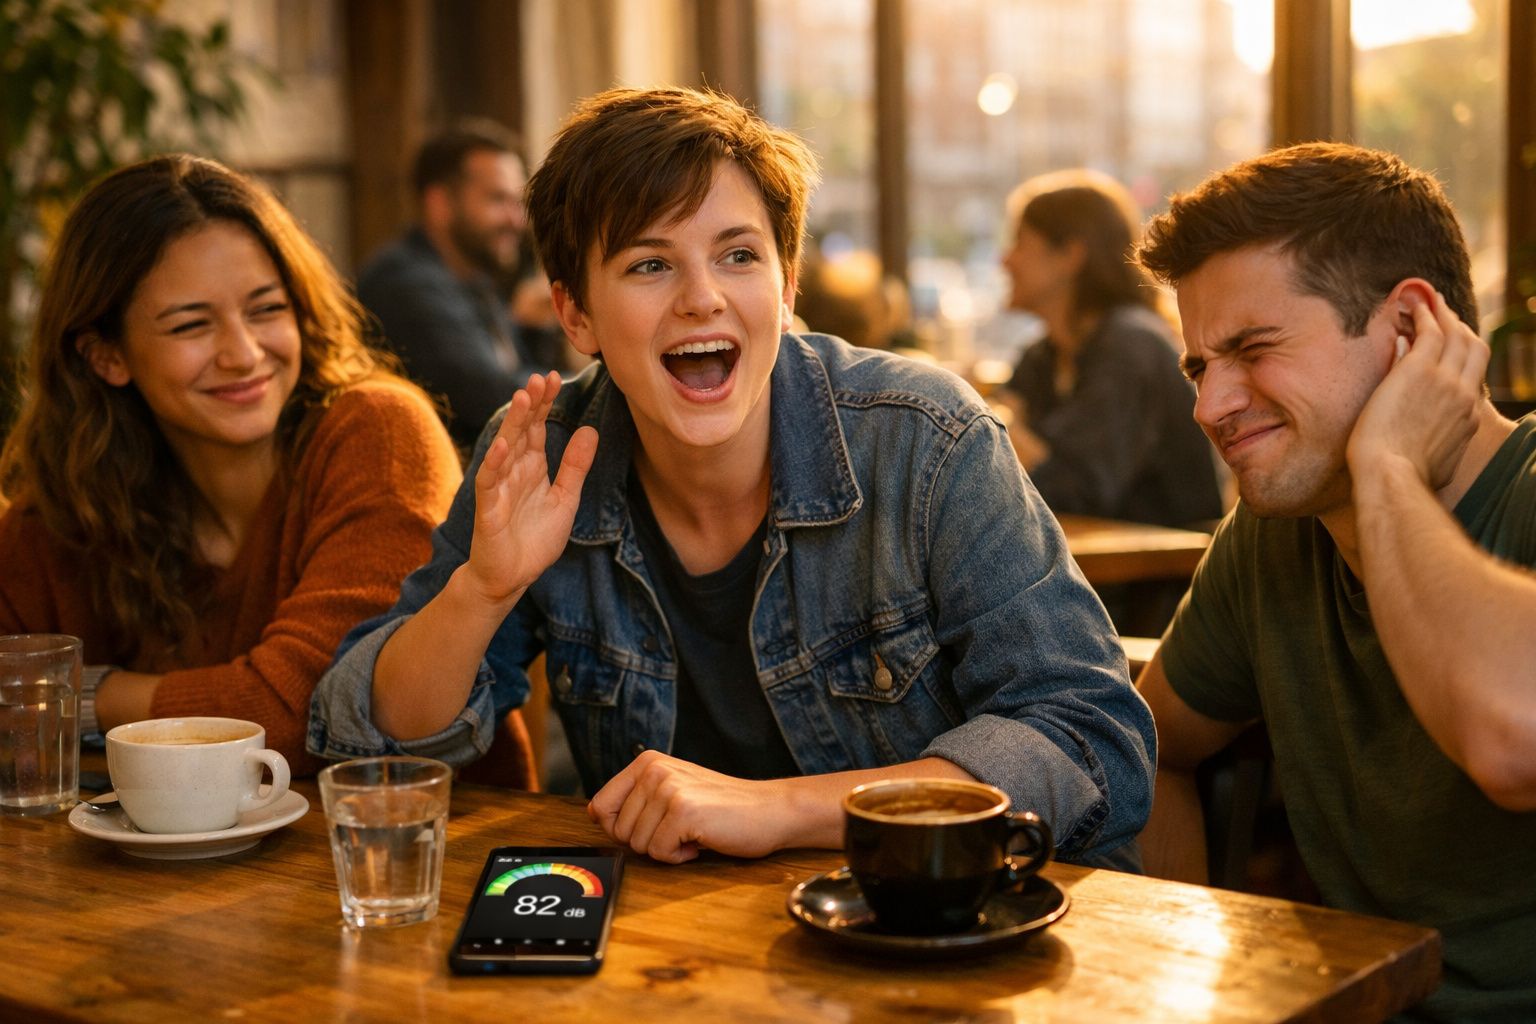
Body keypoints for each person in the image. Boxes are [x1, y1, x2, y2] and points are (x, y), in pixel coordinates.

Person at [309, 86, 1155, 868]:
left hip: (934, 925)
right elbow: (372, 748)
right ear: (575, 314)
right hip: (678, 951)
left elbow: (1089, 735)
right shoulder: (547, 453)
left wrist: (781, 810)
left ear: (787, 287)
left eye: (738, 256)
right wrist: (482, 590)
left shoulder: (924, 438)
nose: (702, 298)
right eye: (649, 264)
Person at [1134, 143, 1536, 1022]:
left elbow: (1516, 739)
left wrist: (1389, 462)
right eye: (1201, 367)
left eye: (1253, 349)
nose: (1210, 406)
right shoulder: (1277, 536)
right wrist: (1196, 972)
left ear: (1409, 331)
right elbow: (1153, 744)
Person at [0, 155, 467, 777]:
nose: (244, 354)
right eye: (191, 324)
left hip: (406, 851)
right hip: (141, 871)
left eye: (266, 309)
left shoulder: (379, 431)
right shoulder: (76, 492)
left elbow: (308, 715)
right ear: (107, 356)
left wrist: (79, 694)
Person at [998, 169, 1222, 529]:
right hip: (1089, 567)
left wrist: (1004, 425)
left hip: (1157, 576)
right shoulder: (1041, 356)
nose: (1005, 261)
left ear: (1070, 255)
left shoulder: (1130, 346)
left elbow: (1077, 491)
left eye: (1021, 242)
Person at [355, 120, 558, 450]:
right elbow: (497, 400)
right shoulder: (404, 285)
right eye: (497, 200)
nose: (517, 220)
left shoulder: (473, 276)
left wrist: (531, 328)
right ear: (440, 204)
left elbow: (520, 376)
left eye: (517, 202)